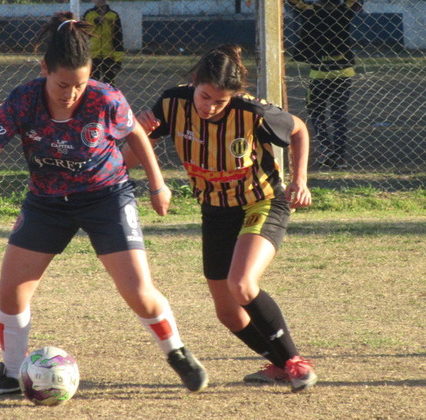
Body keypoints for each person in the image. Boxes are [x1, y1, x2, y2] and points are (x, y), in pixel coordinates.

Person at [0, 12, 207, 397]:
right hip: (47, 203)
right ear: (44, 68)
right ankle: (12, 374)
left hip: (107, 197)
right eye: (63, 84)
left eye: (79, 84)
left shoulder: (104, 97)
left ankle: (177, 352)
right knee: (11, 291)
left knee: (138, 291)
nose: (70, 93)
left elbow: (136, 135)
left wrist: (157, 184)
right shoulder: (23, 99)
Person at [122, 44, 317, 392]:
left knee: (241, 284)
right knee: (228, 312)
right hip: (214, 212)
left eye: (220, 101)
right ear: (195, 82)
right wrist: (139, 131)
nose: (210, 107)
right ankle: (277, 363)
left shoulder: (251, 112)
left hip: (262, 202)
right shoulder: (172, 103)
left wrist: (300, 180)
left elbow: (299, 129)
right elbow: (130, 157)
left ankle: (295, 363)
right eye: (206, 96)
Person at [290, 0, 362, 169]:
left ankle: (327, 148)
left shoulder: (310, 12)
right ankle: (340, 155)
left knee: (315, 109)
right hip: (343, 69)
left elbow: (294, 3)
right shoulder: (344, 11)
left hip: (320, 71)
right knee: (338, 113)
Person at [83, 0, 124, 86]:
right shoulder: (88, 14)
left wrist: (118, 61)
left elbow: (118, 38)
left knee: (109, 83)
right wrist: (95, 23)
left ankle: (109, 98)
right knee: (92, 83)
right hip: (92, 55)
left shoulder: (113, 15)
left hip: (109, 55)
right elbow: (84, 35)